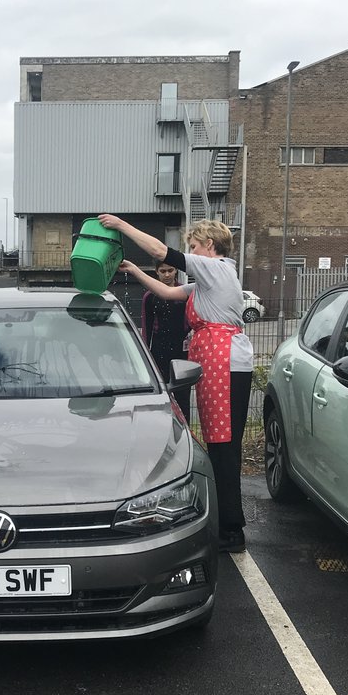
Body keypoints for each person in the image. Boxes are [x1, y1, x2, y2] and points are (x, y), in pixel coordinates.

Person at [100, 214, 254, 554]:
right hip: (218, 362)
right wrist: (136, 271)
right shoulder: (207, 283)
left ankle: (232, 529)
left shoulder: (217, 269)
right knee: (219, 441)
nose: (192, 253)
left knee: (225, 444)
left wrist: (122, 226)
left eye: (195, 246)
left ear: (209, 247)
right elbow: (169, 293)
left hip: (226, 362)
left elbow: (160, 251)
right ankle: (228, 523)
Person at [141, 261, 192, 418]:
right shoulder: (150, 296)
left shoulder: (185, 292)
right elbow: (146, 327)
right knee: (161, 396)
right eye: (163, 271)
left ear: (176, 270)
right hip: (159, 350)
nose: (167, 274)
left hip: (182, 351)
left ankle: (186, 432)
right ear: (157, 272)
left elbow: (192, 320)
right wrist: (145, 354)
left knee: (183, 398)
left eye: (170, 270)